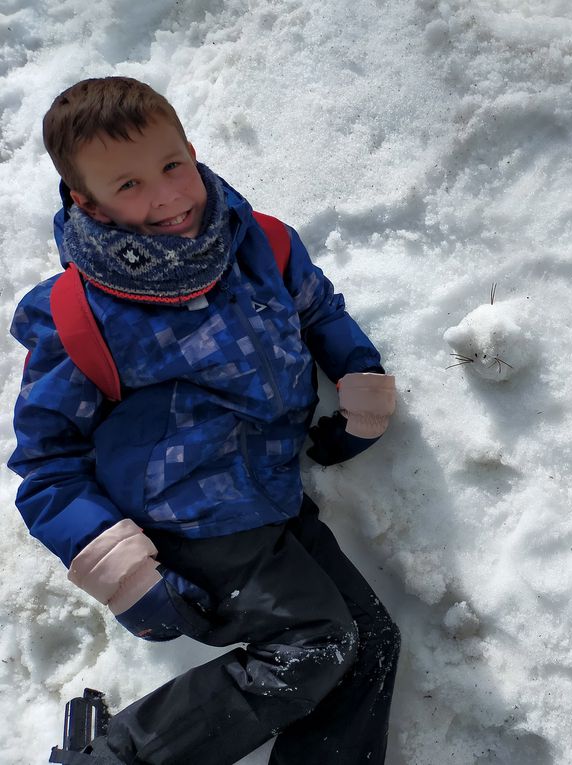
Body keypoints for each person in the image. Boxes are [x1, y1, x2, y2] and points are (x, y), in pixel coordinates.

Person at [8, 76, 400, 764]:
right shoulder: (79, 316)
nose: (165, 197)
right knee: (314, 645)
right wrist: (125, 572)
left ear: (191, 150)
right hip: (185, 527)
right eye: (127, 186)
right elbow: (47, 466)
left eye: (171, 166)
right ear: (86, 200)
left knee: (367, 641)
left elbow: (318, 310)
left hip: (269, 499)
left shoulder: (260, 245)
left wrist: (359, 376)